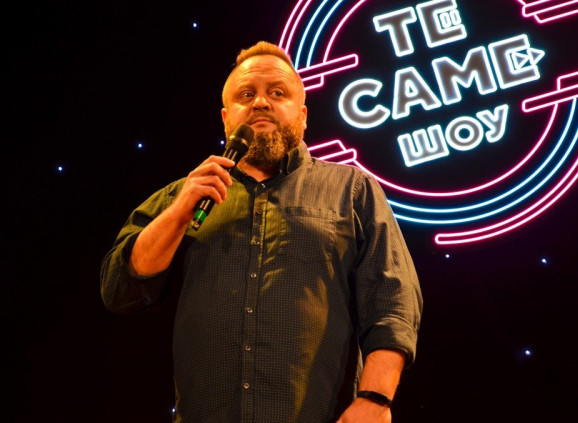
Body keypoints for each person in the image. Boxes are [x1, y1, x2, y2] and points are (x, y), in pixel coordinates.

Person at [101, 41, 422, 423]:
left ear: (303, 115)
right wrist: (177, 214)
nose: (260, 103)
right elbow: (119, 290)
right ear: (226, 117)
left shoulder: (352, 189)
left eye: (277, 93)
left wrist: (375, 398)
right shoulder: (184, 195)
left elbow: (392, 301)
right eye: (246, 95)